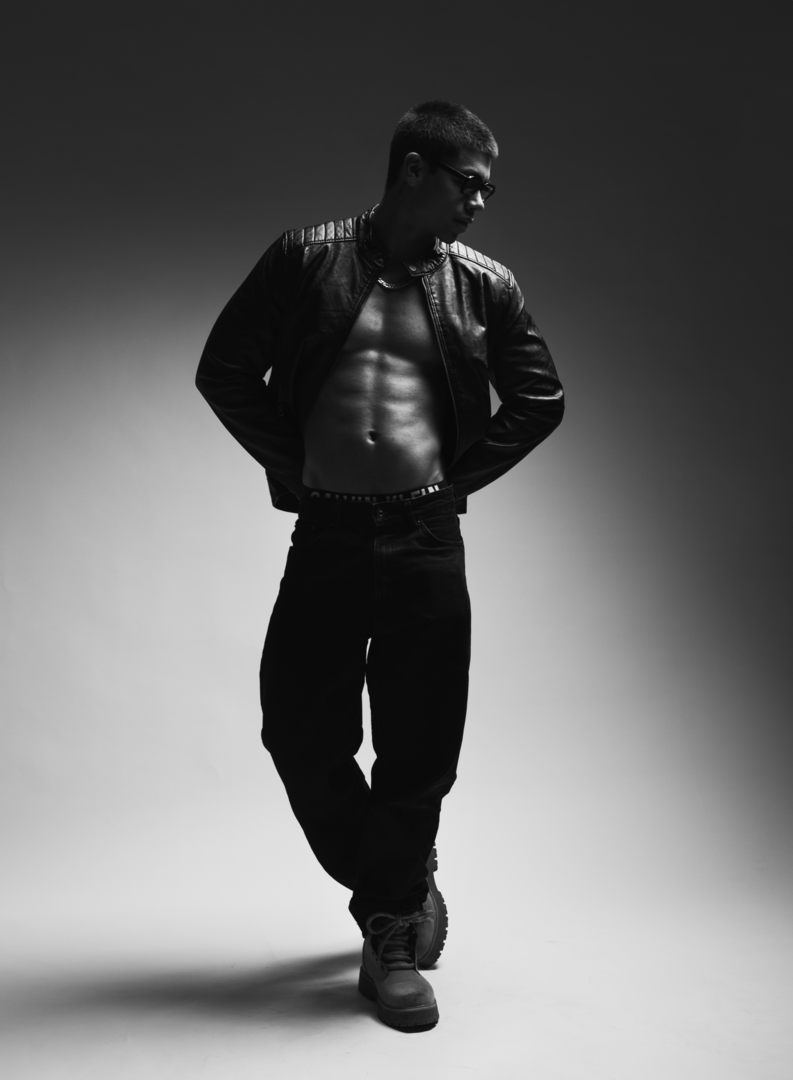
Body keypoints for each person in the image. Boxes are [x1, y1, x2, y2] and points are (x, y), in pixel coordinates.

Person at [195, 100, 564, 1031]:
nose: (478, 203)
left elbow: (540, 399)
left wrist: (450, 482)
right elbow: (224, 369)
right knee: (299, 732)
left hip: (423, 538)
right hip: (327, 531)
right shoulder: (304, 258)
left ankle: (388, 940)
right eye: (468, 184)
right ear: (412, 170)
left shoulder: (484, 285)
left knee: (418, 742)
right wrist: (295, 466)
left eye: (486, 190)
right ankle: (399, 880)